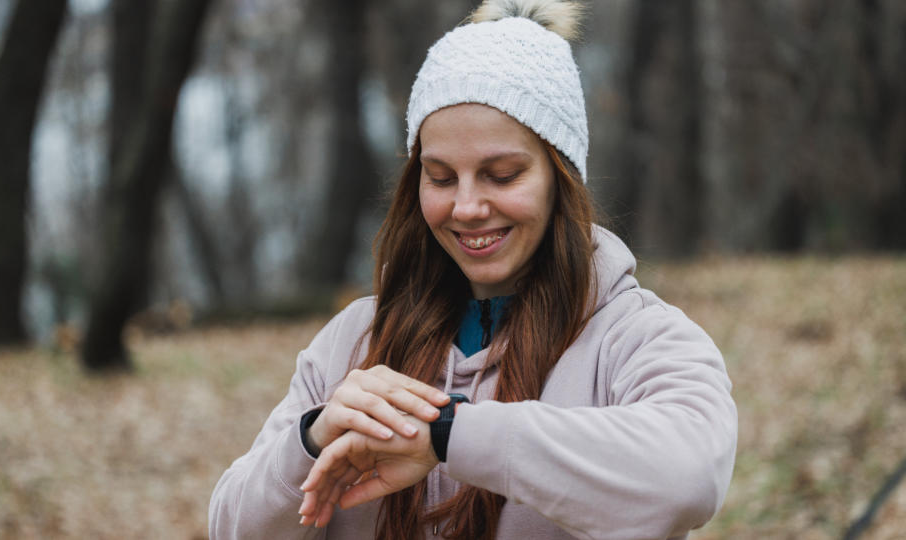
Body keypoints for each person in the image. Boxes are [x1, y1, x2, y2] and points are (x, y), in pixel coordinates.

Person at [208, 0, 737, 538]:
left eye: (501, 175)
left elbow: (688, 479)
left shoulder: (637, 337)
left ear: (562, 177)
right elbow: (230, 527)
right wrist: (312, 442)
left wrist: (447, 436)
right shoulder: (351, 342)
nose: (465, 207)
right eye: (440, 177)